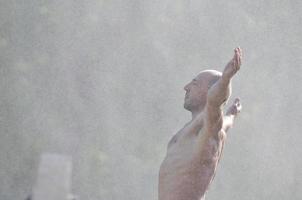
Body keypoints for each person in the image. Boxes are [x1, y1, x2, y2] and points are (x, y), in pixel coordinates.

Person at [159, 47, 243, 200]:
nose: (186, 87)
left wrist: (225, 80)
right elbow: (225, 123)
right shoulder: (207, 128)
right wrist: (231, 114)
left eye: (195, 84)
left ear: (210, 91)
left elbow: (215, 102)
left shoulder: (210, 129)